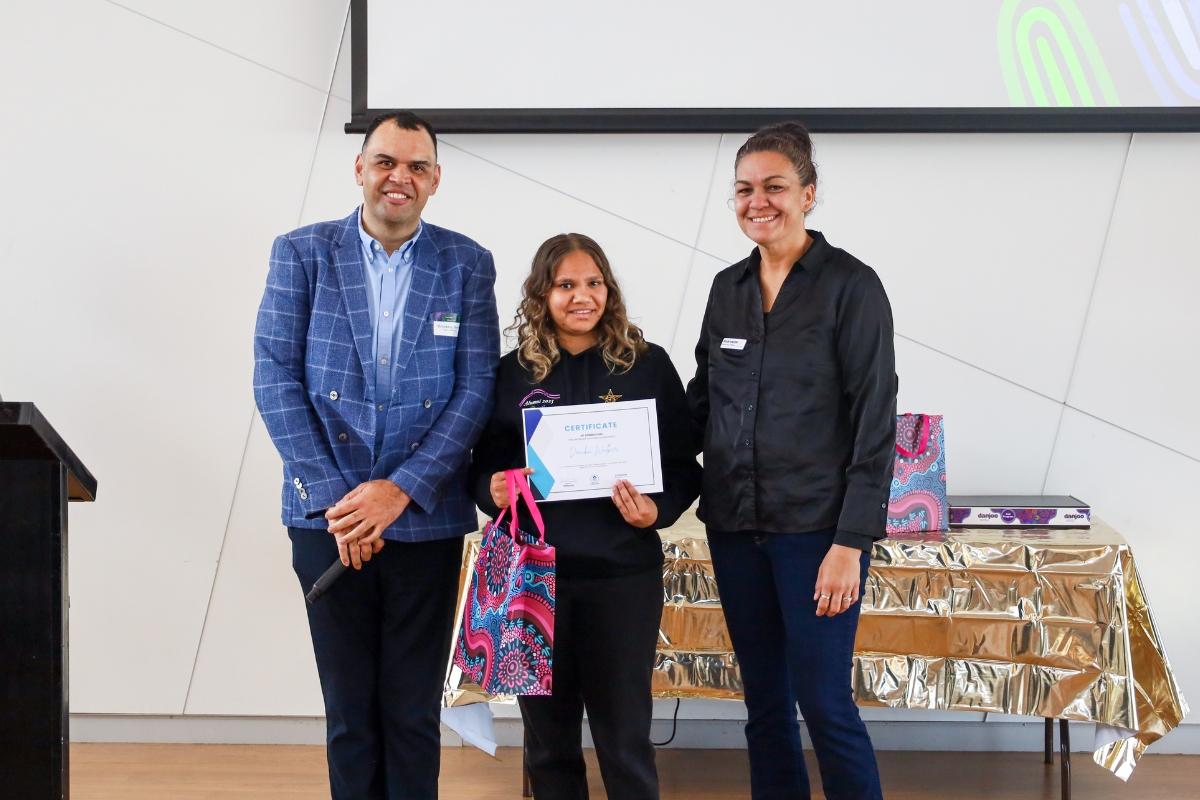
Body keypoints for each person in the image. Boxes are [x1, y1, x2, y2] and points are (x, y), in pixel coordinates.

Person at [253, 110, 499, 800]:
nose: (401, 177)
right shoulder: (301, 252)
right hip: (327, 519)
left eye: (417, 166)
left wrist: (400, 490)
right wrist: (343, 501)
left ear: (435, 180)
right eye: (387, 161)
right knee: (350, 713)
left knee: (413, 712)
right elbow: (274, 376)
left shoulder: (467, 263)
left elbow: (476, 387)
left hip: (425, 516)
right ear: (359, 168)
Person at [686, 122, 896, 800]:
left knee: (826, 703)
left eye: (774, 187)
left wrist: (850, 544)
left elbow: (874, 424)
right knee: (765, 706)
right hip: (736, 527)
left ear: (808, 193)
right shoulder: (727, 288)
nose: (758, 202)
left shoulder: (852, 286)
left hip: (816, 534)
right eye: (744, 189)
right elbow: (701, 402)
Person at [469, 233, 701, 800]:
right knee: (548, 743)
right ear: (541, 295)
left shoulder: (648, 365)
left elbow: (685, 465)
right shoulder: (509, 374)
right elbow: (478, 468)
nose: (582, 296)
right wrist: (491, 489)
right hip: (533, 579)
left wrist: (657, 511)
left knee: (625, 737)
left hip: (622, 577)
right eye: (565, 285)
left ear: (609, 290)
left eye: (593, 283)